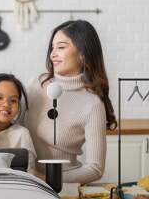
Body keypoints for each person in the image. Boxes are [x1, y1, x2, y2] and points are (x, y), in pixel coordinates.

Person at [24, 20, 117, 184]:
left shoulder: (92, 105)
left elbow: (95, 169)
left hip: (64, 188)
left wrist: (48, 180)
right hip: (28, 182)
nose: (52, 54)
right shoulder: (36, 84)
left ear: (82, 53)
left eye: (60, 47)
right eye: (52, 47)